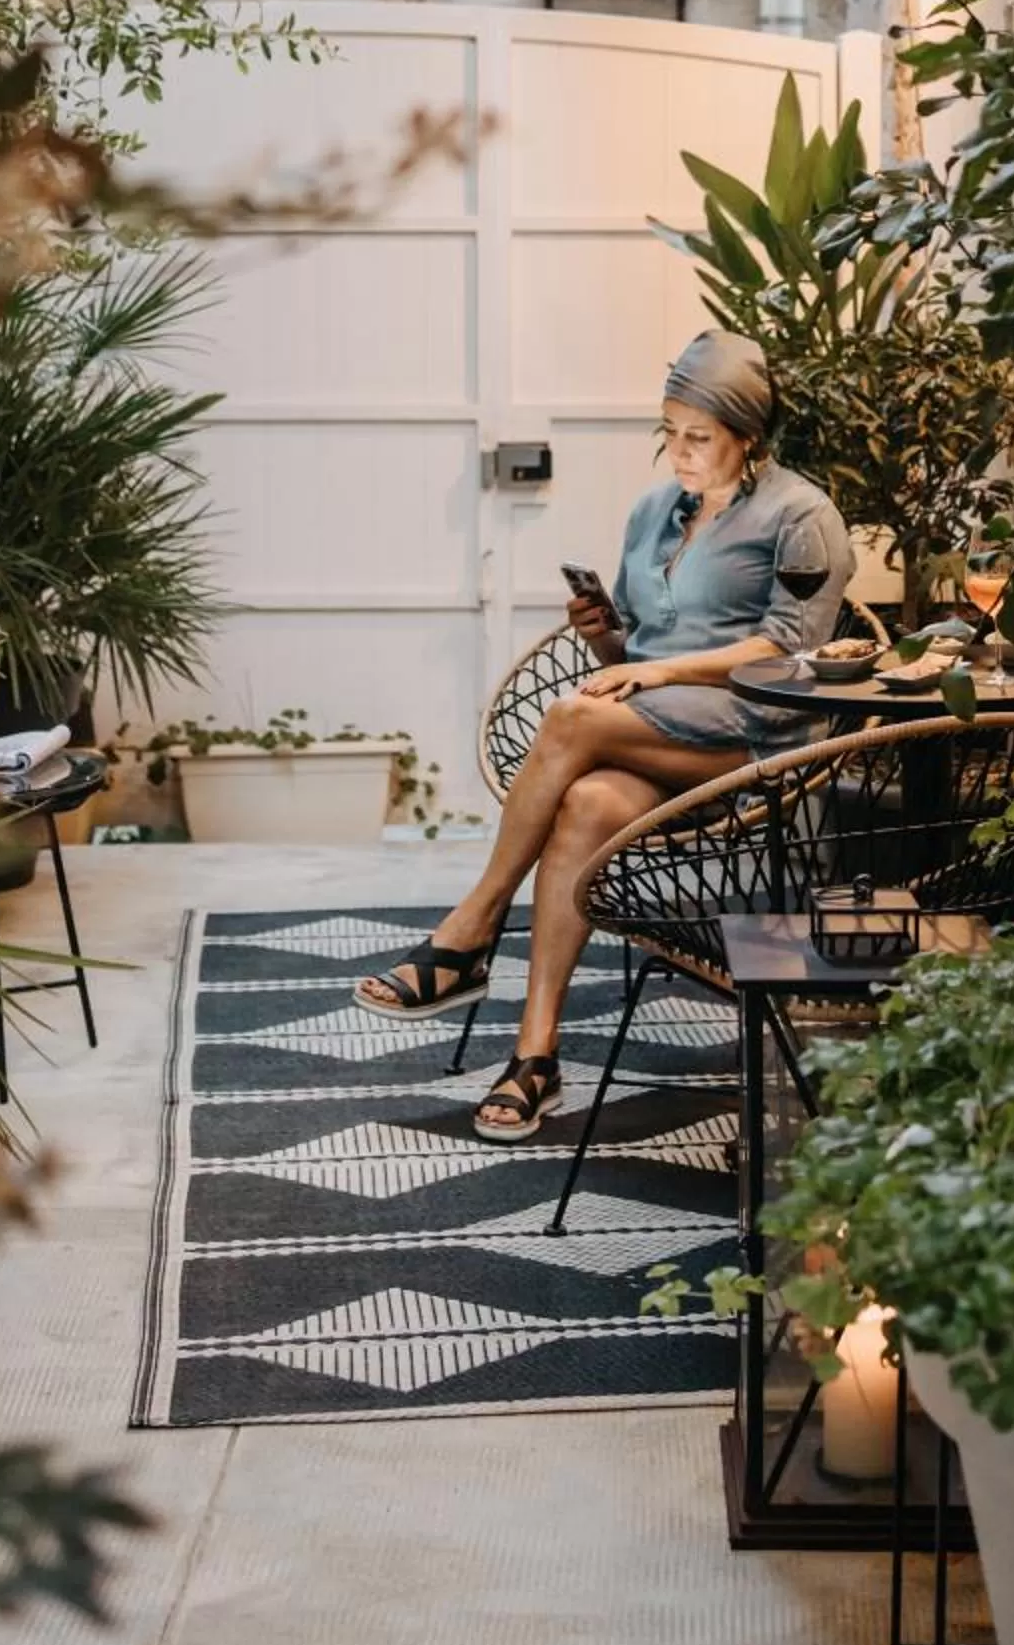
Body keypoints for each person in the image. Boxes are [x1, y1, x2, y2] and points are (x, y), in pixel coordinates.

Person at [353, 330, 854, 1139]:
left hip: (752, 732)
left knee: (571, 717)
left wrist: (654, 676)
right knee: (585, 802)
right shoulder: (655, 511)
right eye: (671, 433)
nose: (680, 453)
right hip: (656, 737)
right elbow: (635, 650)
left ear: (748, 438)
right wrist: (602, 639)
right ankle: (535, 1059)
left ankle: (472, 927)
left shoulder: (803, 516)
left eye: (700, 438)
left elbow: (790, 648)